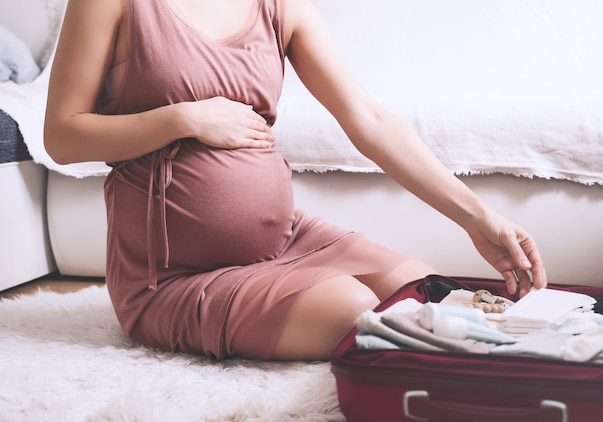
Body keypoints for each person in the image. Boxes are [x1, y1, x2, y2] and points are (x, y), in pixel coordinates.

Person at [44, 0, 547, 361]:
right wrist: (184, 119)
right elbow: (62, 136)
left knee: (425, 293)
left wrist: (478, 219)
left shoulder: (282, 6)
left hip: (286, 241)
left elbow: (368, 120)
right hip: (174, 276)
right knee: (357, 310)